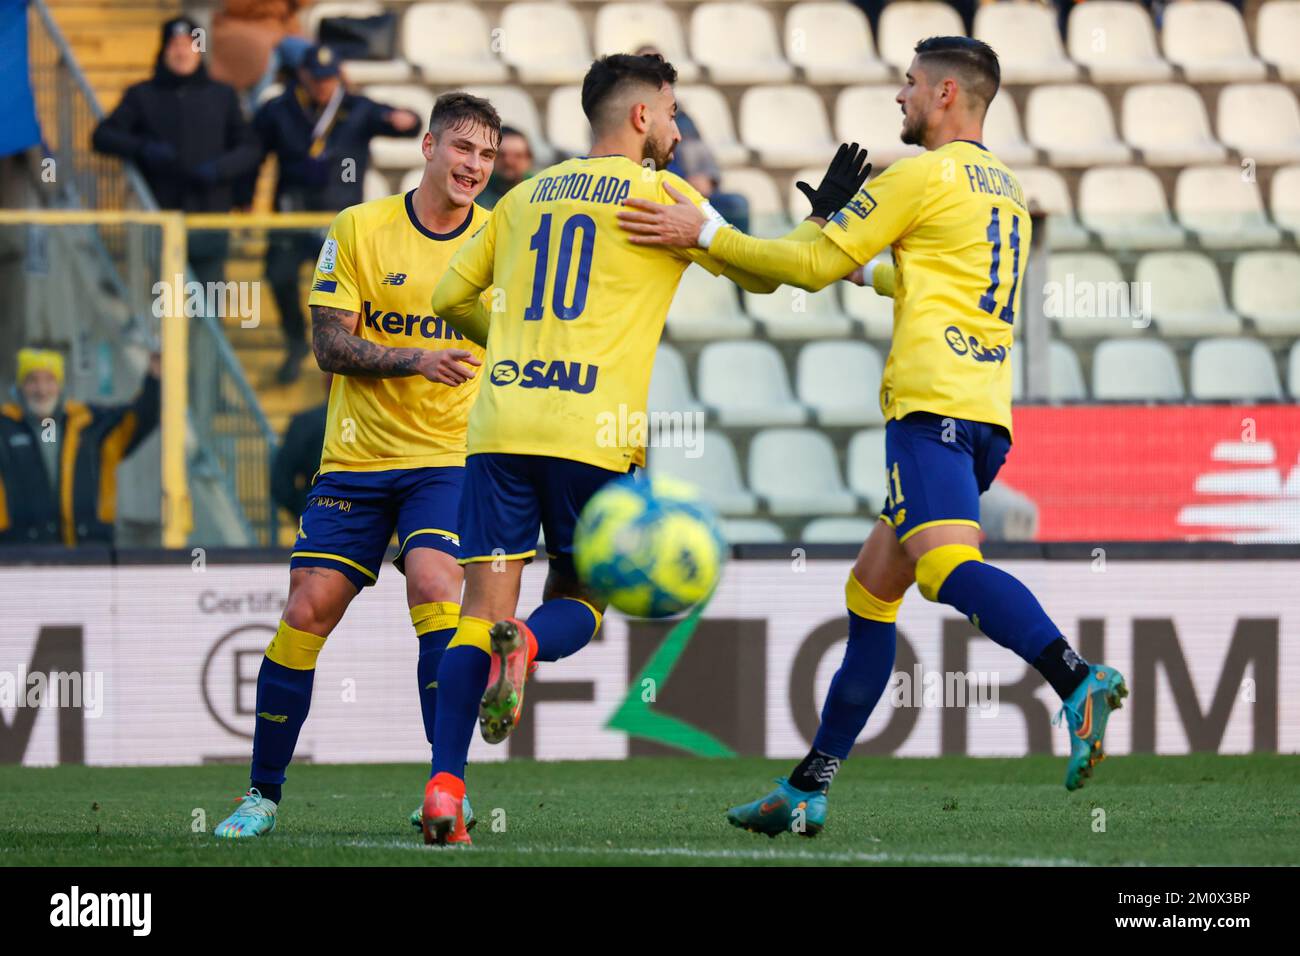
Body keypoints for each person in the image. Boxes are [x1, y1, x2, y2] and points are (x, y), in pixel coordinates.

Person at [616, 36, 1128, 837]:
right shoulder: (1005, 188)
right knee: (871, 591)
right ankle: (808, 785)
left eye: (911, 83)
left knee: (949, 568)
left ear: (949, 94)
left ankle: (1074, 677)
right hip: (986, 414)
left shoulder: (920, 174)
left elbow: (807, 267)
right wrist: (861, 266)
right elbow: (930, 277)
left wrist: (704, 233)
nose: (901, 96)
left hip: (929, 409)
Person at [423, 52, 855, 846]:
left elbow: (449, 297)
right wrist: (816, 223)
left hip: (500, 425)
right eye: (674, 110)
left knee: (473, 616)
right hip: (593, 434)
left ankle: (446, 790)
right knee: (586, 602)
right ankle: (529, 648)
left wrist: (515, 345)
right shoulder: (660, 195)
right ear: (642, 117)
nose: (679, 126)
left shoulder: (520, 197)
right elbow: (767, 280)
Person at [212, 92, 501, 840]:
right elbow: (329, 347)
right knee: (307, 608)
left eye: (488, 156)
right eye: (464, 149)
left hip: (447, 460)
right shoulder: (360, 227)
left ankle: (448, 789)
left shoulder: (501, 242)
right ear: (428, 145)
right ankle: (262, 795)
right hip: (356, 463)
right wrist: (416, 357)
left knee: (438, 588)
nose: (475, 166)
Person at [252, 43, 423, 385]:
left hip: (339, 221)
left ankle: (341, 360)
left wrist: (407, 120)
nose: (322, 86)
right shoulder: (279, 109)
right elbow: (253, 152)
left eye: (328, 79)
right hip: (290, 215)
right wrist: (242, 195)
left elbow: (406, 125)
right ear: (302, 75)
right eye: (316, 79)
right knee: (279, 275)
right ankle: (295, 342)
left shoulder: (356, 107)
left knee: (345, 292)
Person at [92, 15, 261, 288]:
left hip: (210, 215)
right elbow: (102, 136)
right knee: (166, 299)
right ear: (163, 51)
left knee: (209, 300)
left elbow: (249, 147)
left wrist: (220, 169)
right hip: (161, 214)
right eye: (175, 45)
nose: (182, 52)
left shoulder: (222, 95)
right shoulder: (142, 95)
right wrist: (144, 148)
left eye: (189, 45)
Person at [0, 348, 160, 547]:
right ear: (20, 385)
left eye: (49, 380)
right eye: (32, 380)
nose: (41, 390)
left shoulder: (90, 424)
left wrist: (155, 379)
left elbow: (139, 419)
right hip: (18, 554)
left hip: (88, 552)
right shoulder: (4, 427)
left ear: (60, 385)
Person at [635, 44, 749, 234]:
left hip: (686, 189)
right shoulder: (623, 116)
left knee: (736, 204)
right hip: (652, 192)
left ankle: (742, 258)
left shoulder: (683, 118)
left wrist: (706, 178)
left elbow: (701, 154)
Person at [269, 373, 328, 520]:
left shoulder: (306, 422)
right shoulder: (375, 424)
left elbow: (280, 481)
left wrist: (304, 510)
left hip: (318, 520)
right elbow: (281, 482)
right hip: (366, 528)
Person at [477, 126, 534, 209]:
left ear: (529, 160)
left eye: (518, 156)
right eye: (501, 155)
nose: (509, 161)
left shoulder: (540, 192)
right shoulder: (475, 194)